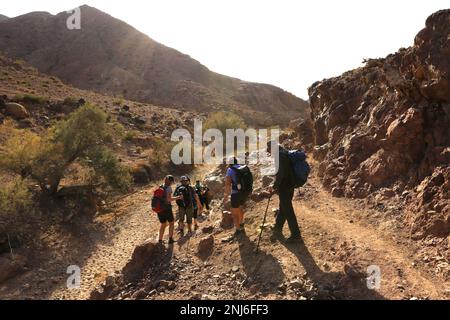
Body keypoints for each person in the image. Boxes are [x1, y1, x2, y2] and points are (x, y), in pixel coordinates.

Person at [266, 141, 302, 243]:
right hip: (290, 184)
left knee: (288, 210)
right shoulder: (284, 152)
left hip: (285, 186)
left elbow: (281, 174)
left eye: (269, 150)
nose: (270, 153)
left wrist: (274, 186)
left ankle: (296, 235)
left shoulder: (279, 156)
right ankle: (278, 227)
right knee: (284, 207)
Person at [224, 157, 248, 237]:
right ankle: (241, 225)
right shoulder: (242, 167)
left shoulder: (230, 170)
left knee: (234, 213)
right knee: (240, 208)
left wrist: (226, 196)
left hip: (235, 193)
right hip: (244, 193)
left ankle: (238, 230)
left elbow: (228, 184)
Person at [157, 175, 179, 245]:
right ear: (170, 181)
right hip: (167, 208)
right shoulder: (168, 188)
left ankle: (160, 240)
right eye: (172, 181)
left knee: (163, 224)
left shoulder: (161, 186)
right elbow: (169, 199)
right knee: (171, 223)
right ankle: (170, 239)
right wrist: (178, 197)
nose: (172, 183)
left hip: (159, 209)